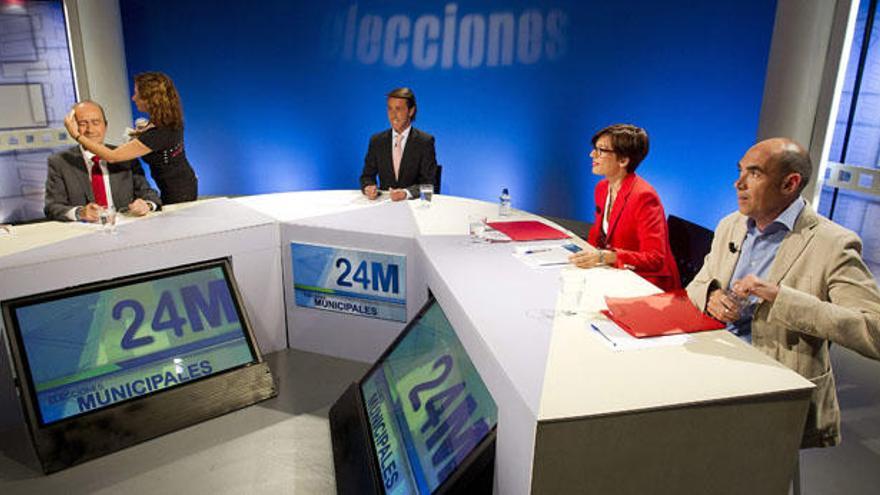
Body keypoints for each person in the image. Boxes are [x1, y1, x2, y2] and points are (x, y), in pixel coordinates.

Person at [686, 137, 880, 448]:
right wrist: (711, 295)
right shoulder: (730, 226)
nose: (738, 183)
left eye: (755, 173)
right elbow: (697, 283)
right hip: (715, 361)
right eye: (739, 171)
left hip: (773, 386)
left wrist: (781, 297)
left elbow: (874, 331)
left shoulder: (834, 244)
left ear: (790, 184)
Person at [568, 124, 680, 291]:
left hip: (646, 283)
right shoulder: (602, 188)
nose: (592, 154)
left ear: (623, 160)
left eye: (601, 150)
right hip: (615, 274)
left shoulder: (644, 197)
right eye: (594, 149)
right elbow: (599, 235)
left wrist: (608, 257)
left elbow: (655, 258)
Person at [63, 72, 198, 204]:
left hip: (178, 192)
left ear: (150, 99)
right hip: (181, 182)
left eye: (137, 94)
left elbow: (112, 156)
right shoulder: (168, 121)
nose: (133, 98)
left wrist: (77, 135)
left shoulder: (159, 133)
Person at [45, 101, 160, 222]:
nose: (90, 130)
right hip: (84, 233)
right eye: (83, 123)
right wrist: (80, 212)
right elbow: (52, 207)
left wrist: (146, 205)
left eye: (96, 123)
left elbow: (149, 194)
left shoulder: (125, 156)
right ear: (73, 127)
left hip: (125, 229)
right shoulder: (60, 162)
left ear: (105, 125)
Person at [359, 87, 437, 201]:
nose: (393, 115)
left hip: (413, 207)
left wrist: (406, 193)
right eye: (390, 109)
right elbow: (366, 177)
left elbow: (429, 184)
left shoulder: (424, 142)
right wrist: (368, 187)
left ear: (411, 111)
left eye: (398, 109)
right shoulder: (377, 141)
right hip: (384, 206)